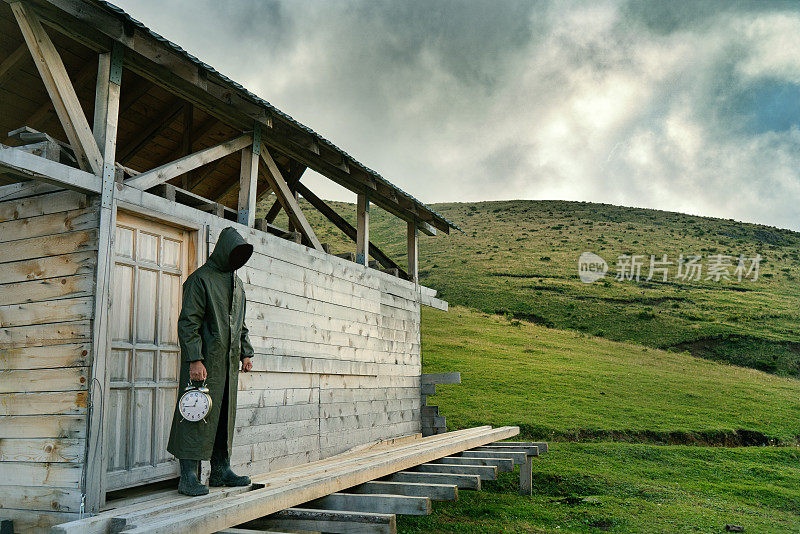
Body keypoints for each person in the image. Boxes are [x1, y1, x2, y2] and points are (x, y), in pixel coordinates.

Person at [167, 226, 255, 496]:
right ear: (223, 251)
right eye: (234, 253)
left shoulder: (237, 284)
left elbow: (240, 323)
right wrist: (195, 359)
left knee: (223, 416)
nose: (236, 259)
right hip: (203, 365)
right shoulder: (200, 280)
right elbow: (188, 323)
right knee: (195, 413)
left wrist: (246, 351)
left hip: (228, 364)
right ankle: (188, 477)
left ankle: (220, 470)